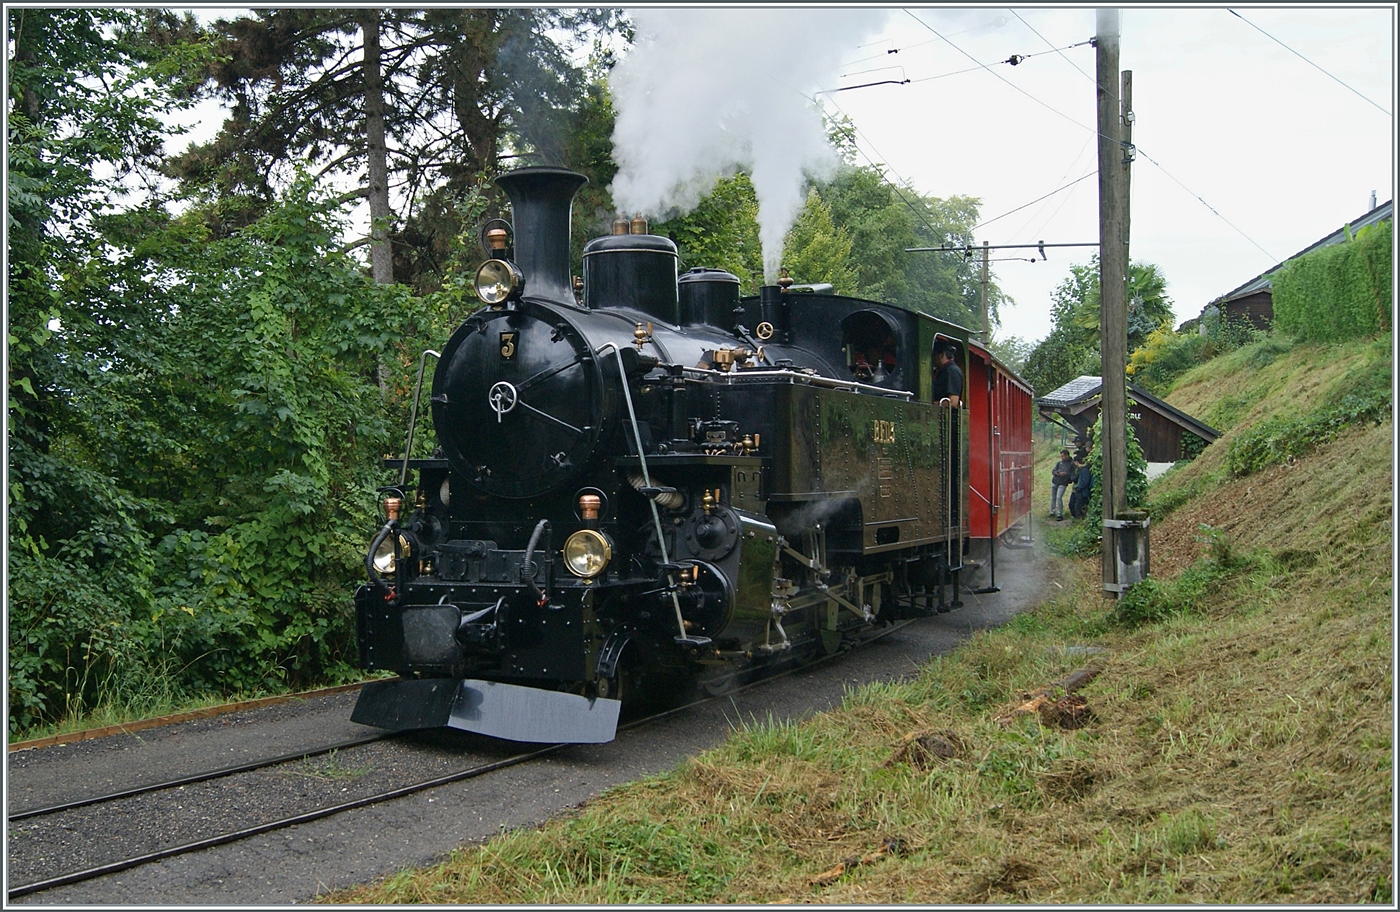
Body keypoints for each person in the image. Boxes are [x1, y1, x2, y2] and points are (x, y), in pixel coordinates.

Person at [1050, 448, 1074, 520]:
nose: (1062, 458)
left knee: (1059, 497)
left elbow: (1072, 473)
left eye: (1063, 456)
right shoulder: (1059, 463)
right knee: (1053, 497)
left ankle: (1060, 514)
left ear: (1067, 456)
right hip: (1055, 481)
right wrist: (1057, 473)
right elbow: (1053, 471)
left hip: (1063, 482)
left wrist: (1066, 475)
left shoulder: (1071, 464)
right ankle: (1052, 511)